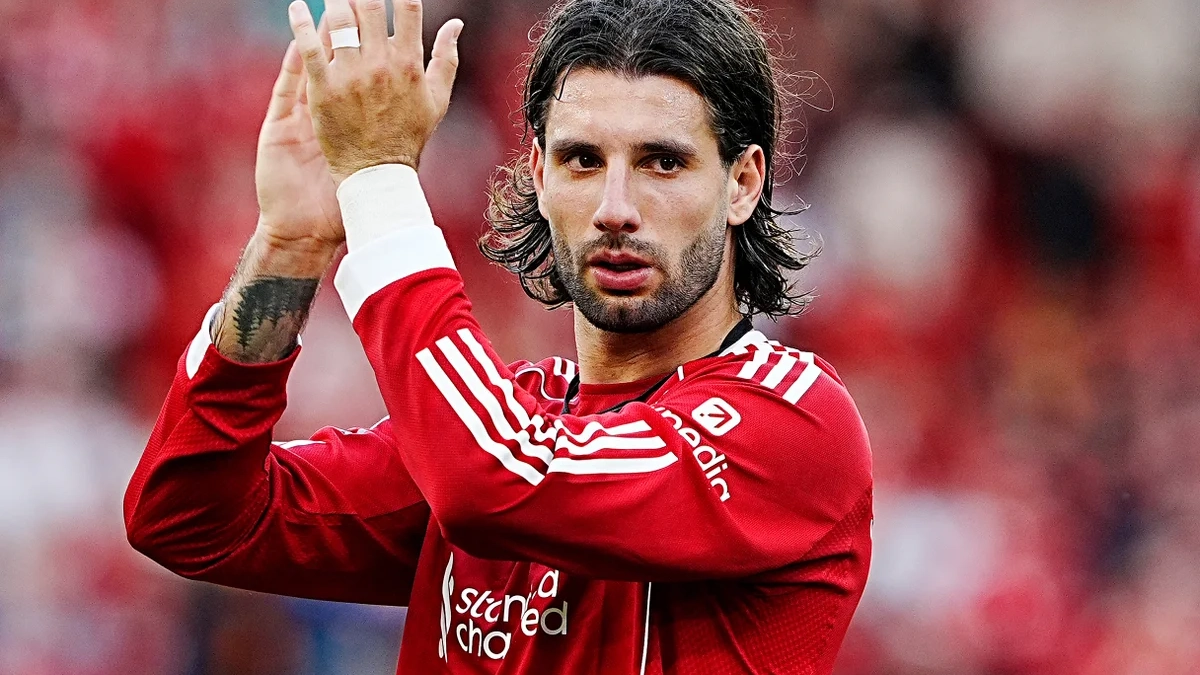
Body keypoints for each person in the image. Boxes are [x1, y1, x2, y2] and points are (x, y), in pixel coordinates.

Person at [123, 0, 874, 672]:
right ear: (539, 177)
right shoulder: (498, 420)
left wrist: (382, 183)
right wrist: (289, 248)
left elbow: (493, 479)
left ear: (742, 182)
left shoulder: (794, 422)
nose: (616, 207)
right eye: (583, 159)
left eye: (663, 162)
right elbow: (190, 516)